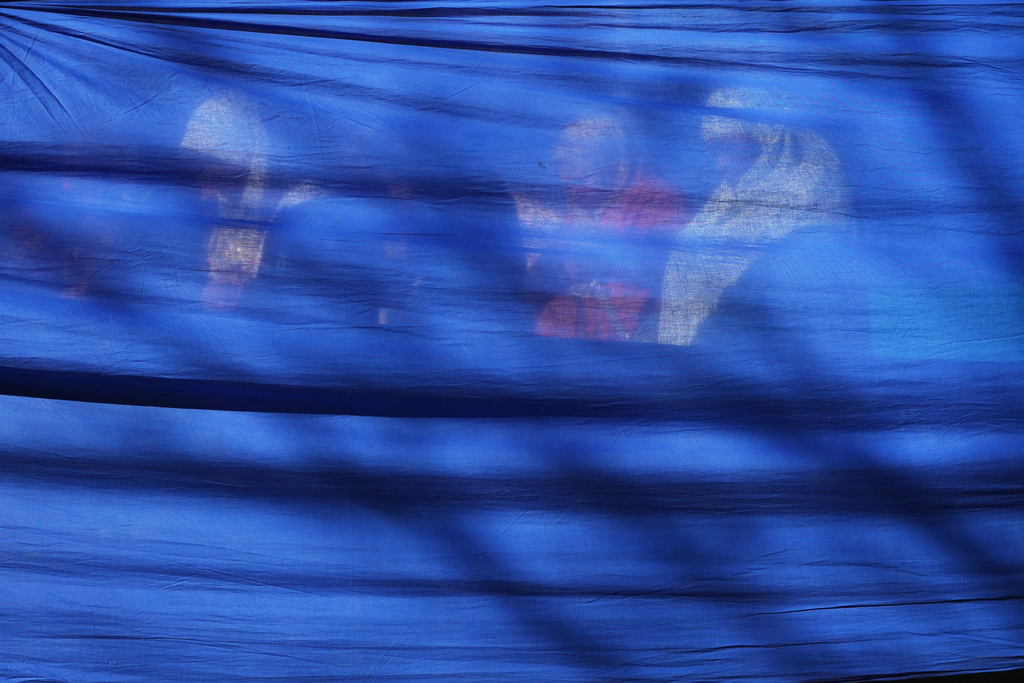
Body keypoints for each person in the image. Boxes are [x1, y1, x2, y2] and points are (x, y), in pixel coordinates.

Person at [658, 88, 848, 346]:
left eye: (729, 149)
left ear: (764, 139)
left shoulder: (810, 191)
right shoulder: (723, 202)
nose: (720, 165)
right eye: (715, 152)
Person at [516, 115, 689, 342]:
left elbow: (663, 281)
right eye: (560, 166)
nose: (562, 177)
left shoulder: (656, 203)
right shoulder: (583, 200)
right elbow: (552, 268)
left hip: (630, 334)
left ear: (604, 163)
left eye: (572, 166)